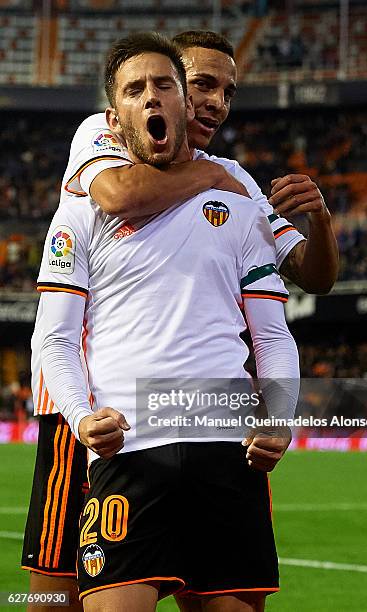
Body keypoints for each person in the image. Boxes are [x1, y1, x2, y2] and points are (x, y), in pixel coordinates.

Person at [21, 29, 335, 607]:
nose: (213, 101)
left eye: (227, 91)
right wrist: (216, 177)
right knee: (53, 594)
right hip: (95, 414)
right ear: (123, 109)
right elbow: (116, 196)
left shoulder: (235, 192)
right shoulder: (98, 140)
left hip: (215, 429)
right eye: (202, 84)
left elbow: (304, 287)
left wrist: (319, 220)